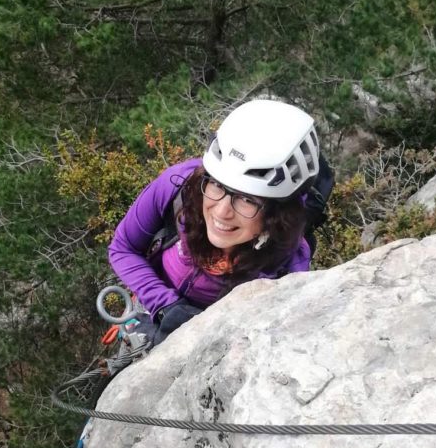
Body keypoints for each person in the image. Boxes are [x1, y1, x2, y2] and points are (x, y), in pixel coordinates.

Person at [108, 99, 321, 346]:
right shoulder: (178, 188)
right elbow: (123, 247)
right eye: (218, 185)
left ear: (276, 215)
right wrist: (164, 305)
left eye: (246, 200)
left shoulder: (287, 262)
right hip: (147, 306)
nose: (221, 212)